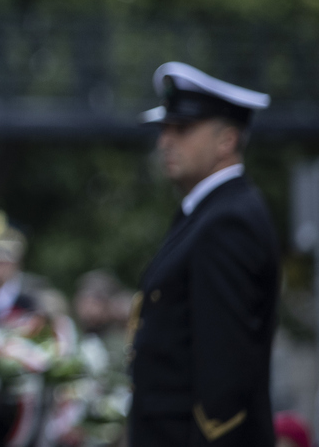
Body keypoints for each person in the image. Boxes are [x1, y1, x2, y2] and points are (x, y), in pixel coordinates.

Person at [129, 62, 279, 446]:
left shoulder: (228, 221)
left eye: (182, 129)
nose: (165, 142)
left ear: (227, 140)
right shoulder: (205, 213)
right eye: (164, 129)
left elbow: (224, 377)